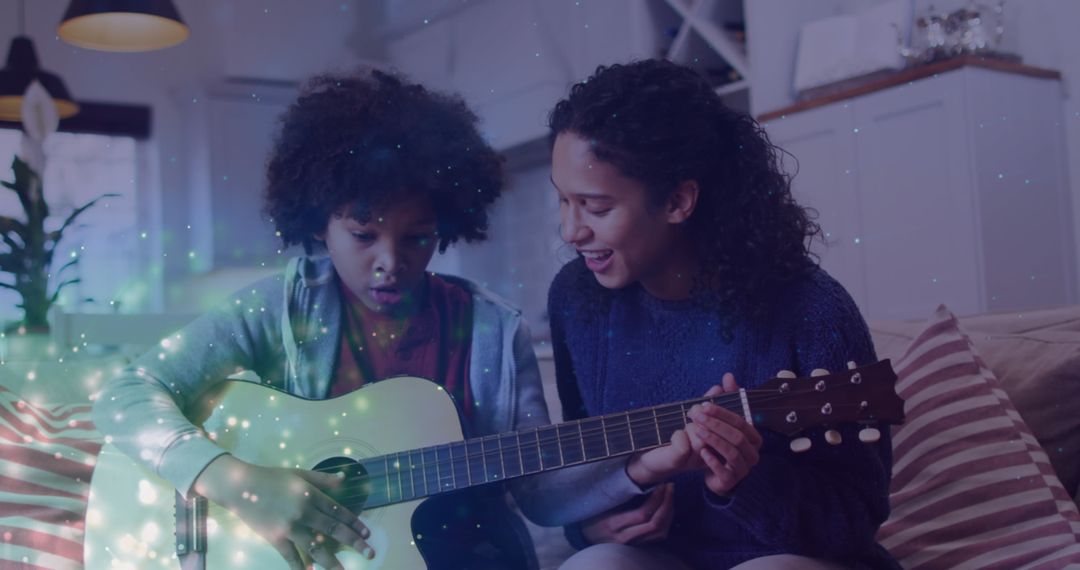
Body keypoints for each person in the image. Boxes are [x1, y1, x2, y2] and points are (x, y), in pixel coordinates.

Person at [91, 68, 643, 570]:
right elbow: (126, 394)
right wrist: (237, 482)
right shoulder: (278, 308)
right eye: (363, 234)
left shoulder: (494, 332)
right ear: (318, 222)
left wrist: (641, 468)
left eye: (417, 237)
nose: (390, 261)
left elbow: (538, 489)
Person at [546, 59, 900, 570]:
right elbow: (584, 464)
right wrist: (588, 527)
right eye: (563, 202)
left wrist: (747, 480)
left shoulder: (813, 310)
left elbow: (857, 519)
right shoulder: (577, 301)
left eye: (596, 208)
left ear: (677, 200)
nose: (570, 232)